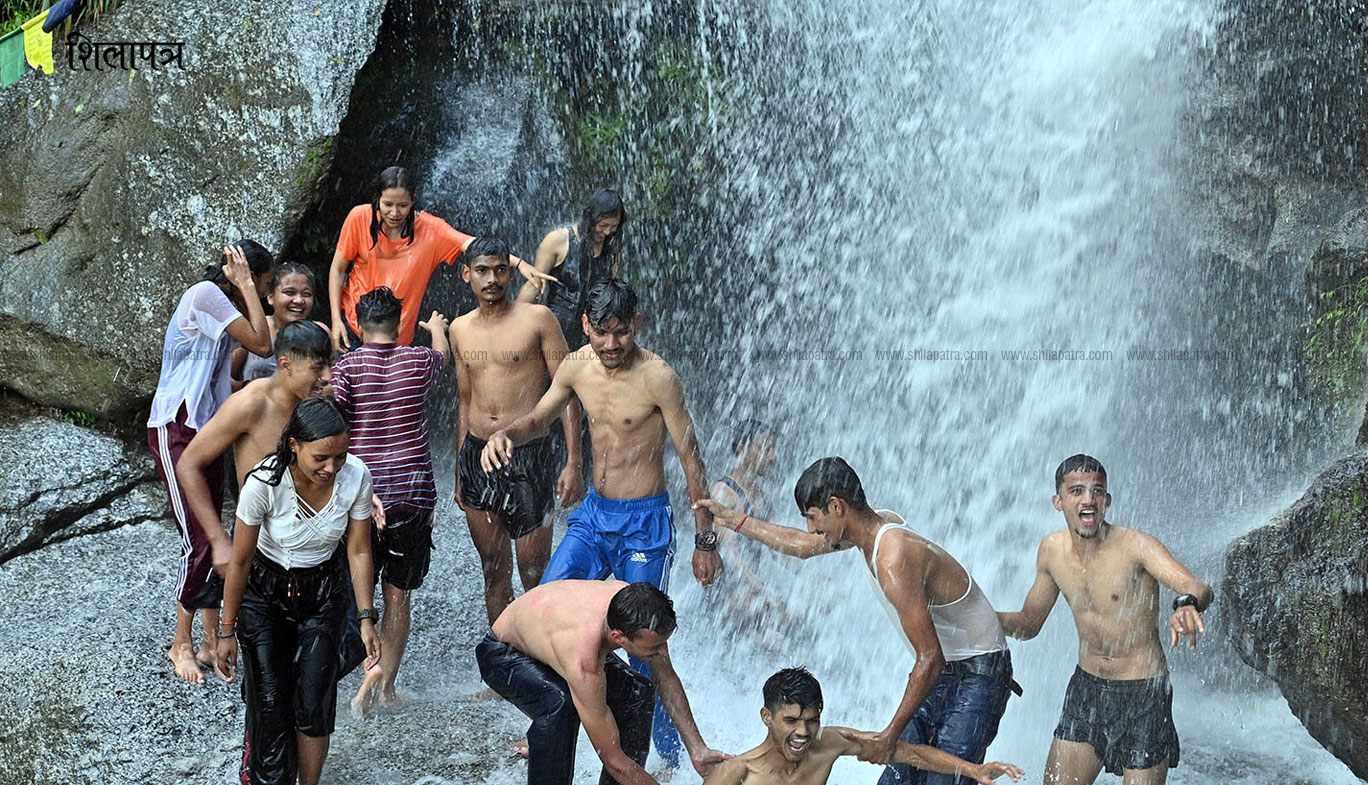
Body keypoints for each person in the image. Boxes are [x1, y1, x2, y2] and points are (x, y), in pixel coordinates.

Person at [482, 278, 722, 772]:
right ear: (586, 326)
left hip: (645, 523)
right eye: (601, 333)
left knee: (645, 640)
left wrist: (706, 539)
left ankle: (672, 754)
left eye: (621, 333)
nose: (611, 345)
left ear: (637, 325)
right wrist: (505, 432)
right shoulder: (575, 366)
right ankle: (552, 725)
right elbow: (540, 418)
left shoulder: (659, 377)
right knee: (545, 609)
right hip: (594, 515)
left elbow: (693, 461)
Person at [695, 457, 1017, 785]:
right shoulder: (872, 527)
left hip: (979, 675)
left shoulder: (892, 558)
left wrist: (889, 735)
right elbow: (802, 546)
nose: (811, 529)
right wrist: (734, 519)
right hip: (946, 672)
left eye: (812, 517)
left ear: (836, 506)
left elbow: (930, 657)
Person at [996, 454, 1213, 785]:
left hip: (1144, 693)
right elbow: (1028, 624)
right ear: (1059, 501)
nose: (1088, 500)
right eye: (1077, 491)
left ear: (1107, 500)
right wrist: (979, 618)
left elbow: (1196, 586)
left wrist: (1187, 604)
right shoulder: (1051, 551)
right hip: (1087, 690)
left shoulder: (1136, 546)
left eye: (1097, 491)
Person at [215, 397, 382, 785]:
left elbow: (358, 550)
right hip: (265, 594)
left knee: (314, 701)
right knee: (271, 705)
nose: (331, 468)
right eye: (321, 458)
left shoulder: (356, 475)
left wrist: (366, 617)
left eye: (340, 456)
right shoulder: (264, 483)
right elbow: (239, 562)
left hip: (323, 592)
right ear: (295, 445)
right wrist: (226, 631)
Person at [173, 319, 335, 670]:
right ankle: (199, 642)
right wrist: (218, 538)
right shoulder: (250, 403)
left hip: (308, 546)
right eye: (317, 367)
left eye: (328, 365)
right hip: (259, 541)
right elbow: (188, 464)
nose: (327, 377)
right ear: (286, 364)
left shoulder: (315, 406)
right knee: (267, 660)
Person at [147, 241, 274, 684]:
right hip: (175, 426)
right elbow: (263, 342)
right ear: (245, 276)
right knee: (203, 540)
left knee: (208, 535)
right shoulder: (206, 294)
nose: (267, 290)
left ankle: (205, 638)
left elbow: (240, 359)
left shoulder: (220, 306)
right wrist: (247, 286)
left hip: (205, 428)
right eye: (266, 282)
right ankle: (179, 644)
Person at [475, 579, 727, 785]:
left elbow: (666, 676)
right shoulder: (584, 660)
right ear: (619, 638)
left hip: (549, 638)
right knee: (561, 704)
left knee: (638, 693)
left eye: (665, 643)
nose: (663, 652)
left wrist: (698, 748)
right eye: (655, 646)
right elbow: (614, 760)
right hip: (503, 654)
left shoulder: (635, 607)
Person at [330, 286, 450, 713]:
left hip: (364, 495)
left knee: (360, 590)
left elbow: (333, 419)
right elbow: (443, 357)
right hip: (413, 495)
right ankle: (387, 686)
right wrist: (436, 329)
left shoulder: (345, 368)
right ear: (399, 325)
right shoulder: (419, 361)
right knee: (399, 594)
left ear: (358, 325)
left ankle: (368, 665)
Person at [451, 237, 581, 625]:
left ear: (510, 271)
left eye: (499, 269)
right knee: (493, 570)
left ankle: (542, 665)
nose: (491, 279)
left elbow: (566, 392)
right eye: (482, 271)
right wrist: (461, 465)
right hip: (478, 457)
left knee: (534, 573)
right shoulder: (459, 330)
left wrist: (573, 461)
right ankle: (504, 670)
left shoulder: (538, 319)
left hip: (529, 457)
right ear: (466, 275)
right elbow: (464, 399)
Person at [327, 166, 553, 355]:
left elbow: (473, 246)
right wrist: (336, 320)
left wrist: (520, 264)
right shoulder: (360, 217)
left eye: (402, 205)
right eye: (387, 204)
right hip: (353, 329)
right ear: (378, 199)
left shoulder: (431, 230)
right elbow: (338, 270)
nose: (394, 213)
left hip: (397, 338)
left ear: (413, 200)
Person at [704, 667, 1024, 785]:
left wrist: (973, 771)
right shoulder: (737, 773)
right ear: (767, 717)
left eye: (811, 721)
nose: (802, 732)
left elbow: (909, 754)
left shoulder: (829, 742)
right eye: (791, 721)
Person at [708, 420, 798, 651]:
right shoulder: (723, 493)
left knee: (803, 607)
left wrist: (813, 579)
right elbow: (732, 560)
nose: (773, 457)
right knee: (766, 609)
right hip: (725, 595)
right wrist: (766, 592)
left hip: (752, 590)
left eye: (773, 450)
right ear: (742, 448)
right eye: (766, 449)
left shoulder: (763, 497)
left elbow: (777, 549)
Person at [516, 189, 626, 349]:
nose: (608, 232)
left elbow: (613, 295)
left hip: (593, 335)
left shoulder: (612, 250)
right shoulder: (558, 240)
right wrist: (509, 322)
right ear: (591, 218)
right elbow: (533, 284)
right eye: (603, 225)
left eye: (614, 226)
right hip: (556, 331)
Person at [231, 261, 328, 387]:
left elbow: (333, 381)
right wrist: (254, 389)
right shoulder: (254, 327)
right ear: (270, 297)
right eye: (289, 292)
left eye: (306, 294)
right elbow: (222, 378)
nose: (299, 300)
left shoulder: (319, 332)